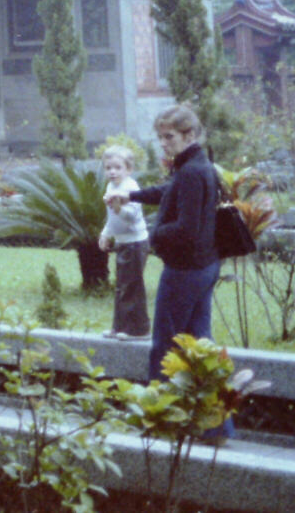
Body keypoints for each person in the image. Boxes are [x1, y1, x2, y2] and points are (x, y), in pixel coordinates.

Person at [107, 103, 231, 441]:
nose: (164, 143)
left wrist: (151, 232)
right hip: (204, 266)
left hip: (185, 270)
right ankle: (216, 427)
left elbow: (187, 228)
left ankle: (156, 421)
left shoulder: (191, 171)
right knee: (200, 348)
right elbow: (168, 193)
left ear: (189, 134)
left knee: (164, 346)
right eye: (161, 137)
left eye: (170, 136)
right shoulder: (196, 164)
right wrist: (129, 194)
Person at [97, 144, 149, 339]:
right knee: (121, 286)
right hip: (122, 243)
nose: (112, 171)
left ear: (129, 169)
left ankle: (139, 329)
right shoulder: (111, 186)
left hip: (135, 243)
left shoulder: (131, 188)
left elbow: (132, 217)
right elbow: (112, 217)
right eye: (108, 167)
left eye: (117, 167)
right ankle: (119, 327)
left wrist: (118, 207)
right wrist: (105, 233)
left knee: (132, 286)